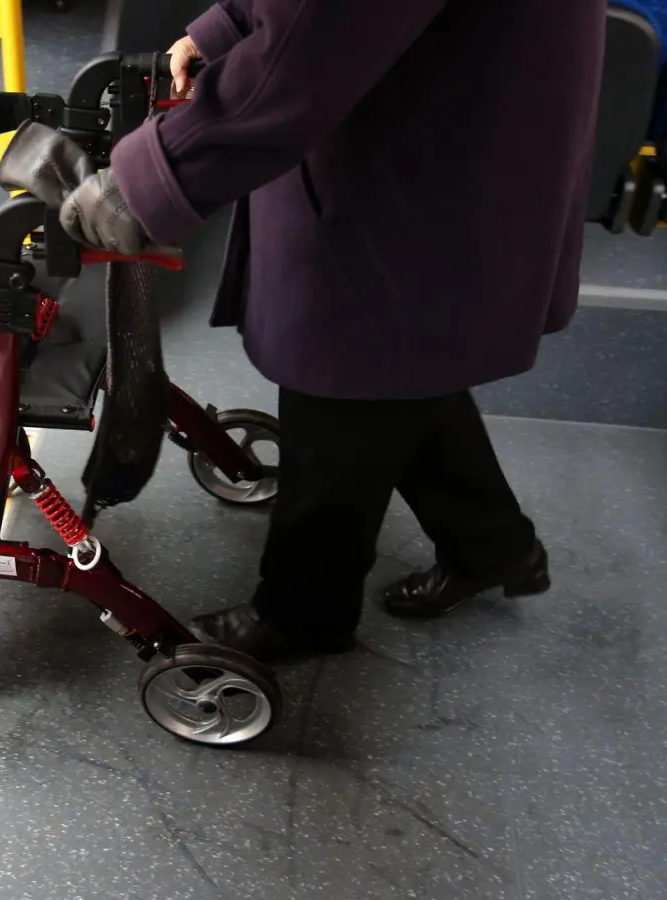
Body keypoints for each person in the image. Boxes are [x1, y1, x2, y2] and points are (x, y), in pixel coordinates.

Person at [59, 0, 607, 661]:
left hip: (414, 142)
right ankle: (490, 543)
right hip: (458, 102)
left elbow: (317, 38)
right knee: (401, 353)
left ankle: (302, 612)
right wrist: (229, 25)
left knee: (345, 363)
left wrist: (150, 178)